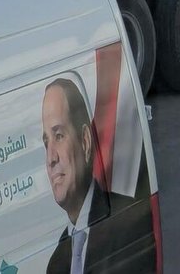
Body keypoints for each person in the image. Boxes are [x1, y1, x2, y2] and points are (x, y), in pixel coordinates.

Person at [42, 78, 154, 274]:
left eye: (58, 136)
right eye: (46, 143)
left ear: (85, 142)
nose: (51, 157)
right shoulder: (56, 262)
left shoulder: (130, 221)